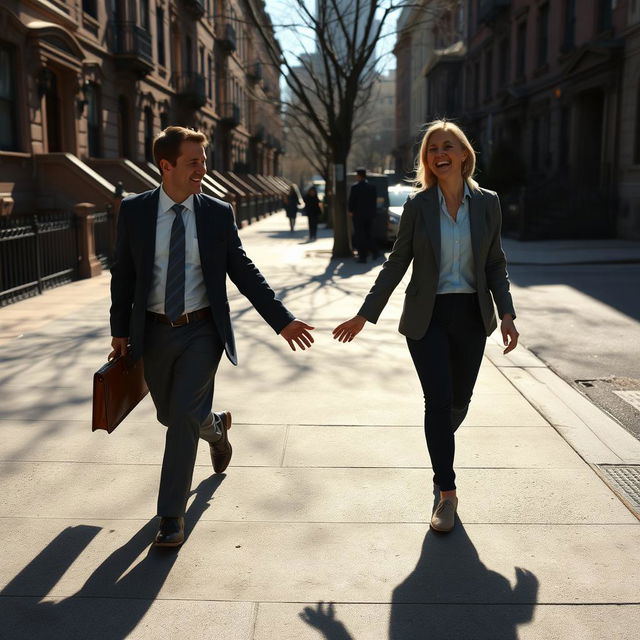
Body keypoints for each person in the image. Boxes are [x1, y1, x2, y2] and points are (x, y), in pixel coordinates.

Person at [109, 126, 314, 547]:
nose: (203, 168)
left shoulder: (217, 213)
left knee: (181, 416)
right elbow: (123, 276)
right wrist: (118, 331)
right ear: (166, 166)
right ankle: (216, 428)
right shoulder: (134, 211)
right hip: (153, 331)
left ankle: (170, 516)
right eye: (194, 162)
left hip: (203, 330)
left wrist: (282, 319)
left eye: (203, 160)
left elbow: (243, 271)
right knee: (172, 416)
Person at [332, 120, 519, 533]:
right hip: (428, 317)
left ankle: (439, 443)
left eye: (448, 146)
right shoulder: (418, 206)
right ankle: (446, 492)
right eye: (433, 148)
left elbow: (495, 263)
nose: (439, 153)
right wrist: (365, 313)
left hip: (472, 316)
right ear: (427, 160)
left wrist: (506, 313)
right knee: (437, 402)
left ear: (464, 154)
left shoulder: (488, 203)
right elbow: (397, 262)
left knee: (458, 402)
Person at [348, 168, 378, 262]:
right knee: (369, 234)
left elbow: (351, 201)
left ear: (359, 176)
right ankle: (374, 252)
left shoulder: (355, 187)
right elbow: (374, 202)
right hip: (369, 215)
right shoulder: (372, 187)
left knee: (360, 236)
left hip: (358, 215)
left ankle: (363, 256)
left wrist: (350, 211)